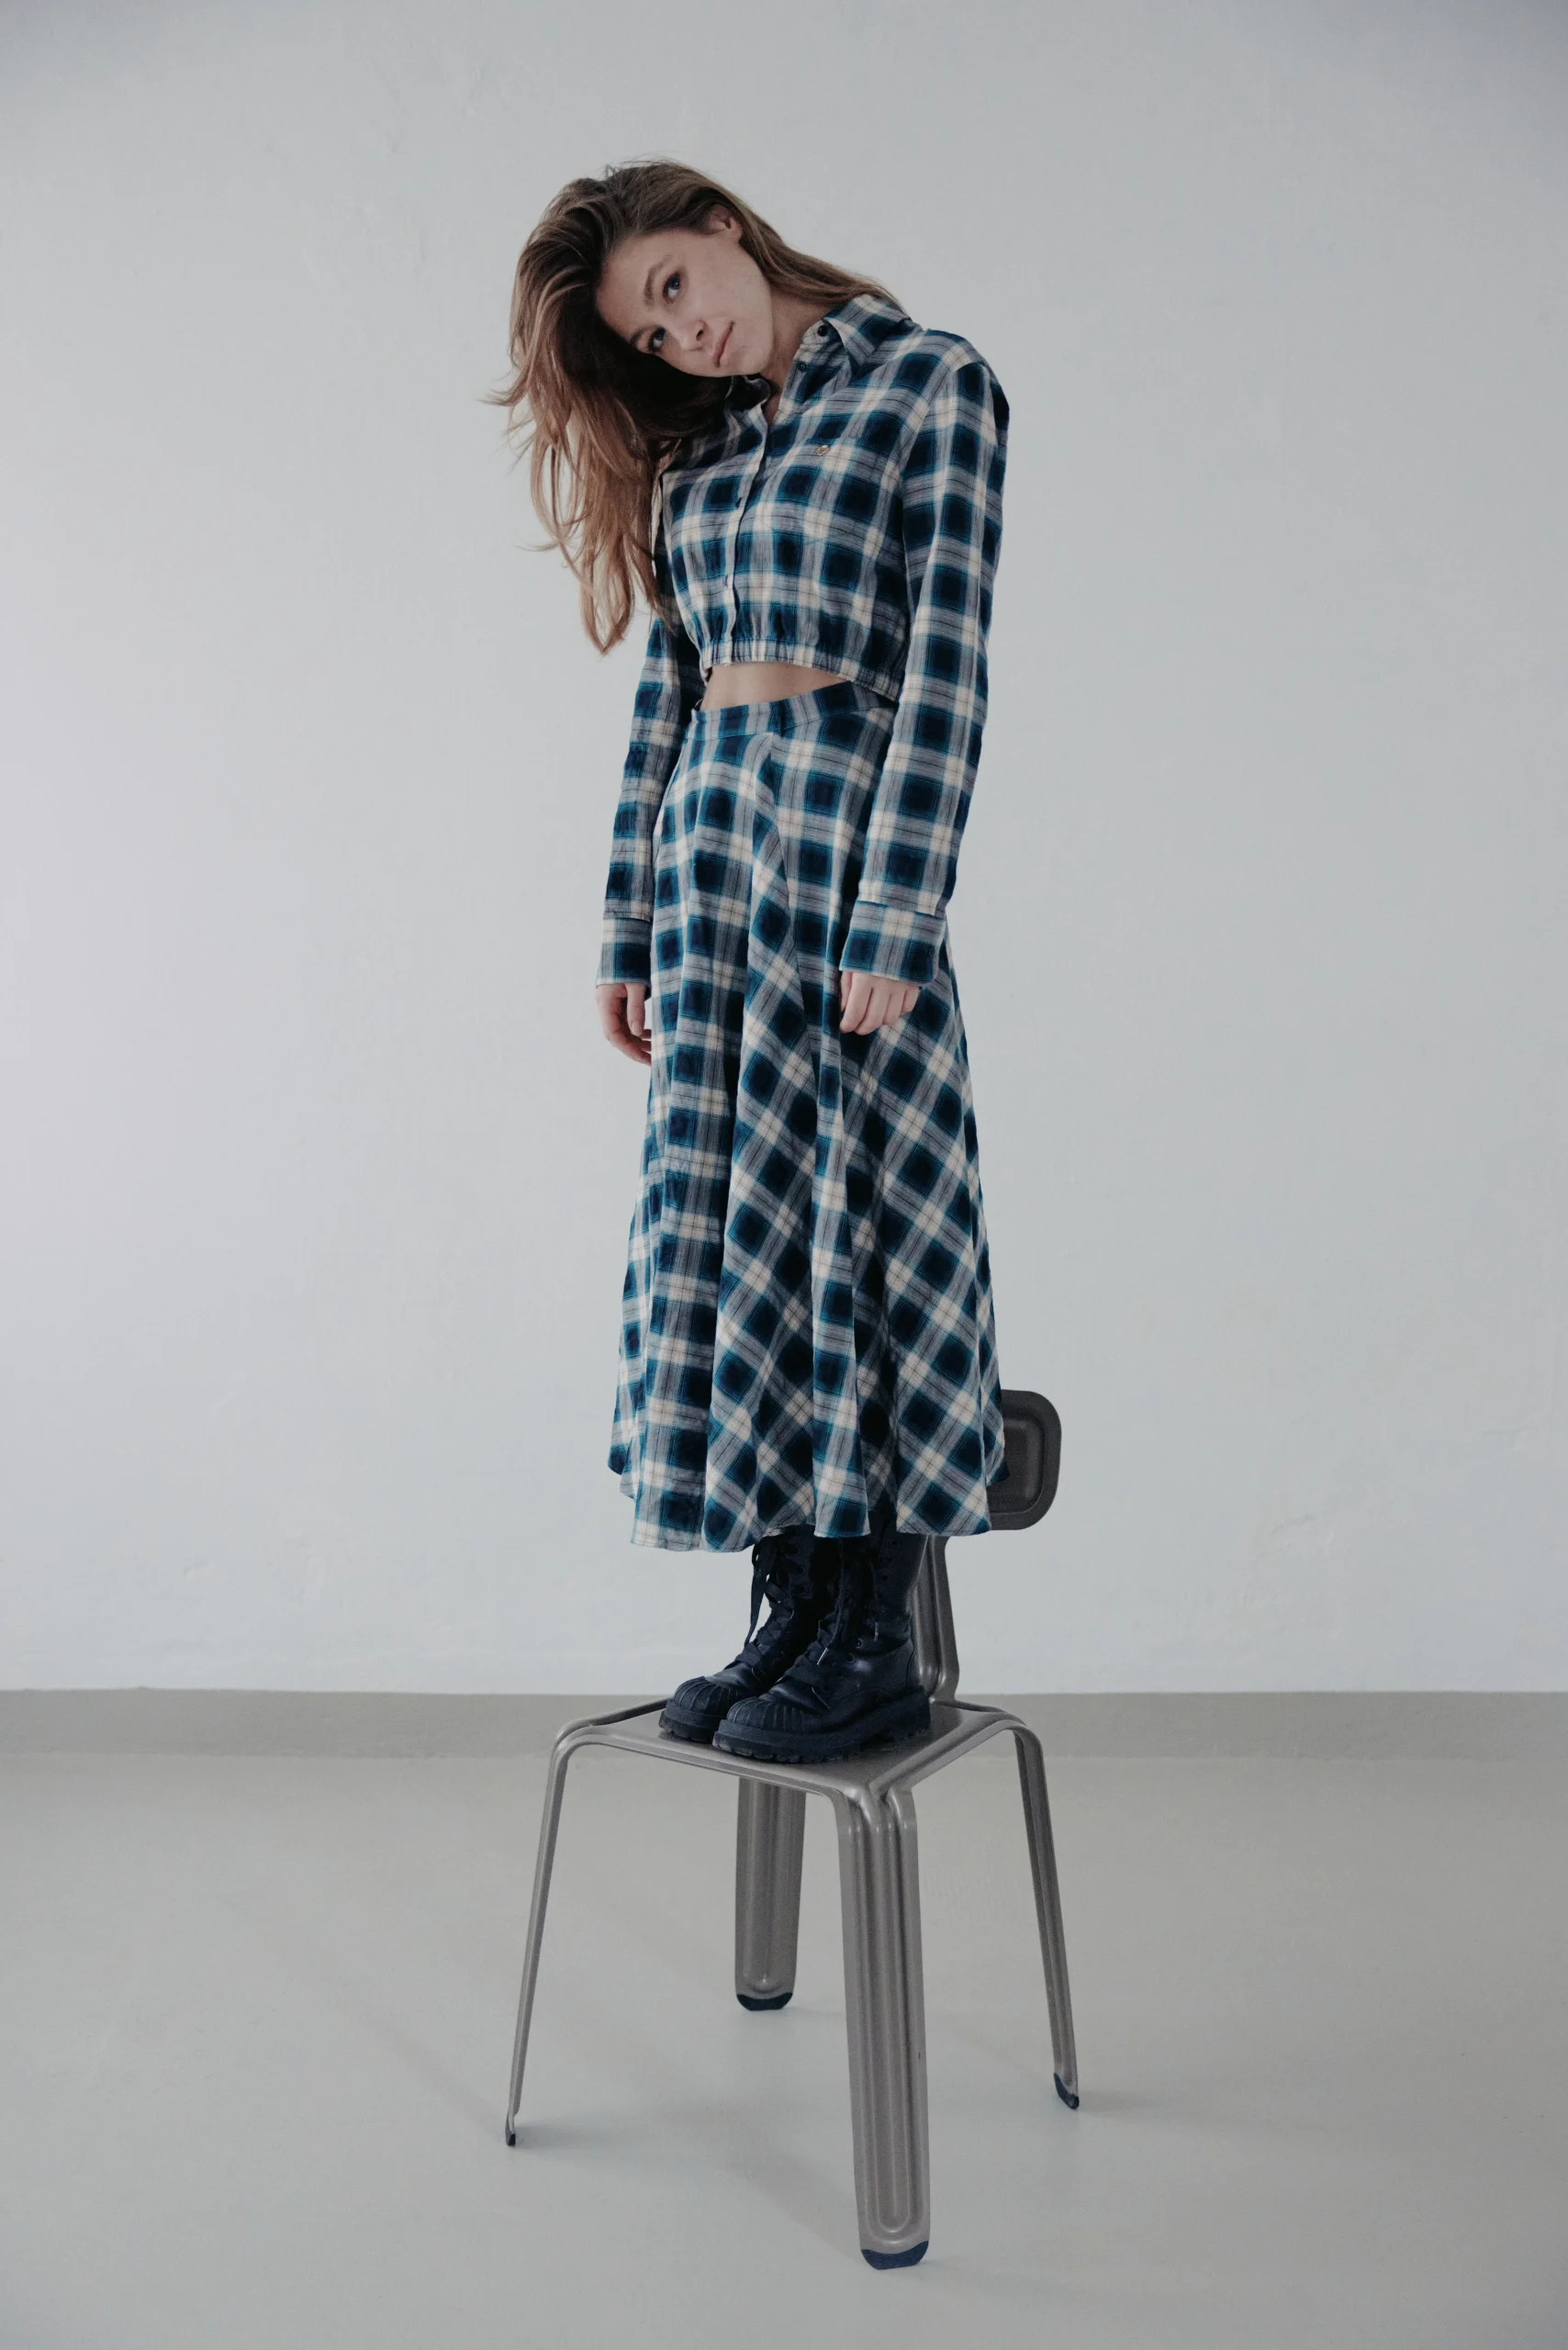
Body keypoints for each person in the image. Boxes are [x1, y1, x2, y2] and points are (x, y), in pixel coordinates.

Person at [493, 160, 1009, 1762]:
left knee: (860, 1228)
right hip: (710, 859)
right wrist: (626, 926)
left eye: (671, 288)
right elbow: (667, 693)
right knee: (741, 1235)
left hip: (840, 850)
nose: (682, 336)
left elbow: (947, 672)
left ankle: (872, 1638)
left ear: (721, 226)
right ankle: (790, 1611)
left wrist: (897, 915)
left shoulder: (928, 386)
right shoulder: (704, 453)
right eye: (648, 335)